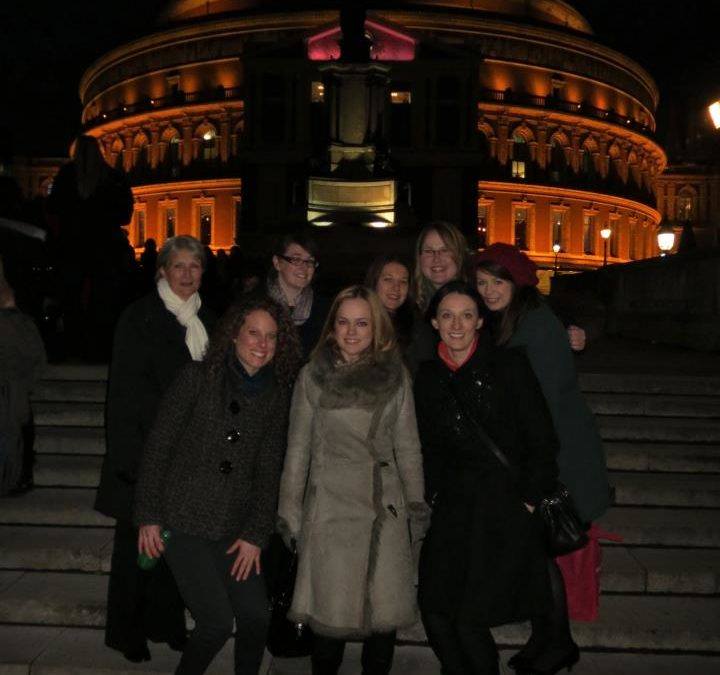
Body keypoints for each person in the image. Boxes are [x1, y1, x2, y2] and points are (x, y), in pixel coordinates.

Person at [135, 295, 302, 675]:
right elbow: (159, 446)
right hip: (183, 519)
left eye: (272, 337)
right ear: (233, 335)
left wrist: (256, 533)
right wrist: (148, 515)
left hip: (235, 526)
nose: (262, 344)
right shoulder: (197, 377)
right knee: (214, 623)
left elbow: (267, 468)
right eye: (253, 333)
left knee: (256, 618)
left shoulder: (276, 395)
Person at [277, 285, 429, 675]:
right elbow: (297, 450)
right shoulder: (313, 377)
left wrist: (415, 506)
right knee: (328, 627)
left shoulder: (396, 376)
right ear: (331, 328)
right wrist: (290, 513)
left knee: (382, 626)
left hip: (385, 509)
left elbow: (408, 446)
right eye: (343, 322)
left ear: (376, 328)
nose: (351, 331)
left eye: (362, 323)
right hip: (330, 509)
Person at [474, 243, 611, 674]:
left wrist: (534, 472)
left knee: (540, 550)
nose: (489, 290)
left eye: (498, 281)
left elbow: (547, 402)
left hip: (558, 458)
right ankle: (546, 636)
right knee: (537, 550)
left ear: (518, 281)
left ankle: (560, 643)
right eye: (482, 282)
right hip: (544, 453)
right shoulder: (511, 321)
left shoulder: (537, 323)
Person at [414, 281, 560, 675]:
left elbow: (542, 438)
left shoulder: (508, 366)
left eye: (465, 315)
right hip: (454, 508)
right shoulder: (427, 377)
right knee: (434, 607)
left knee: (468, 616)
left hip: (503, 509)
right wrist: (435, 493)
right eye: (447, 315)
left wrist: (528, 500)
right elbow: (429, 446)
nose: (456, 324)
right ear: (434, 321)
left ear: (480, 320)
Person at [94, 235, 215, 663]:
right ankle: (127, 632)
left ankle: (166, 624)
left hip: (186, 457)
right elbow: (123, 397)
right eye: (178, 266)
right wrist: (128, 463)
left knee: (172, 549)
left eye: (194, 266)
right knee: (135, 551)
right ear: (161, 270)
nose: (187, 274)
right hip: (144, 452)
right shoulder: (140, 317)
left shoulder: (205, 320)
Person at [46, 134, 135, 360]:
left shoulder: (66, 177)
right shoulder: (114, 178)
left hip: (73, 248)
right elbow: (125, 216)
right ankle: (102, 348)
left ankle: (73, 346)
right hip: (106, 250)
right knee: (104, 301)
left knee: (72, 299)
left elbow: (53, 210)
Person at [0, 259, 47, 496]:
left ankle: (17, 477)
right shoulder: (19, 323)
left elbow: (36, 360)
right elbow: (37, 360)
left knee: (16, 433)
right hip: (15, 388)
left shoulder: (17, 323)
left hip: (13, 388)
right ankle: (17, 477)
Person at [266, 233, 330, 359]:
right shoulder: (257, 304)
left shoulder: (324, 309)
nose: (304, 267)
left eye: (310, 261)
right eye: (296, 260)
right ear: (277, 263)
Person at [364, 253, 416, 353]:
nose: (396, 287)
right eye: (388, 279)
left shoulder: (416, 329)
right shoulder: (357, 320)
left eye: (403, 282)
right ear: (374, 282)